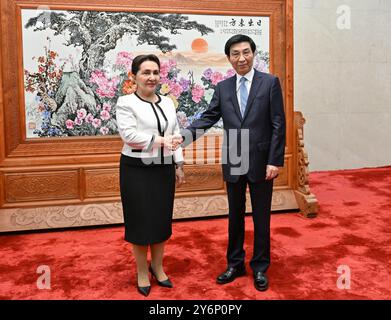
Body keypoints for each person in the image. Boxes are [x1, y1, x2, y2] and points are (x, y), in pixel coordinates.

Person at [180, 34, 286, 291]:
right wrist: (181, 139)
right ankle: (235, 263)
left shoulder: (269, 83)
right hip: (234, 159)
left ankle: (260, 267)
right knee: (235, 216)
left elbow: (277, 123)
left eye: (246, 52)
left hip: (262, 162)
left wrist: (275, 160)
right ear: (229, 58)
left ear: (253, 54)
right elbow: (208, 117)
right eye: (236, 54)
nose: (242, 58)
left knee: (262, 217)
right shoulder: (223, 87)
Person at [116, 54, 185, 297]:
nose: (151, 77)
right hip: (136, 170)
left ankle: (158, 267)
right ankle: (142, 270)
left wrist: (178, 164)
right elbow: (130, 136)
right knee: (139, 221)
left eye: (155, 72)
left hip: (163, 168)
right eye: (146, 72)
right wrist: (162, 141)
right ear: (133, 76)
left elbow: (175, 133)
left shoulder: (167, 102)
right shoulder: (126, 103)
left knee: (160, 219)